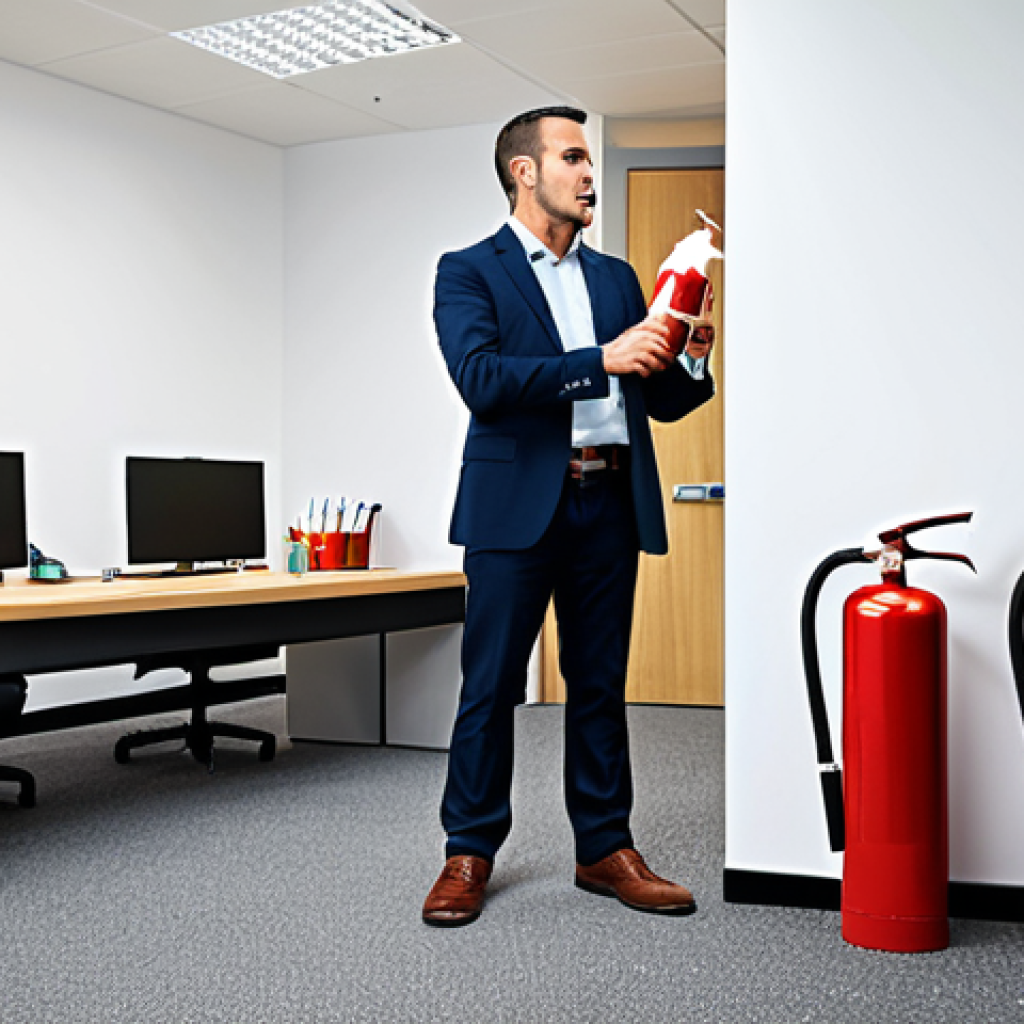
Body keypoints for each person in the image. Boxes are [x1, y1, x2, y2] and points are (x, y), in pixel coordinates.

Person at [423, 106, 715, 927]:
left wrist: (690, 349)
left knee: (598, 686)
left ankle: (604, 849)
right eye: (574, 157)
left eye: (590, 160)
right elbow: (482, 379)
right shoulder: (468, 271)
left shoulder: (618, 279)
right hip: (514, 511)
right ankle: (468, 851)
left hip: (607, 504)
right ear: (525, 171)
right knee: (489, 688)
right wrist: (599, 360)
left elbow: (658, 399)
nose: (590, 175)